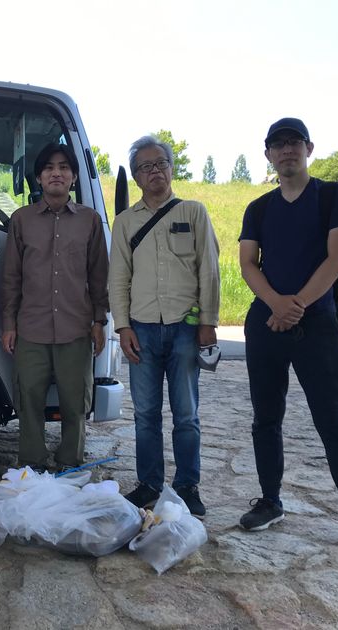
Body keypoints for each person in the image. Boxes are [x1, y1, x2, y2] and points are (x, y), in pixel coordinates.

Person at [237, 117, 338, 558]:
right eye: (278, 144)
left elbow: (336, 259)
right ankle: (270, 501)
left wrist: (296, 306)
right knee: (265, 418)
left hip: (317, 325)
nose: (287, 150)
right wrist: (276, 304)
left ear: (309, 148)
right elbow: (248, 263)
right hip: (266, 323)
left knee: (333, 422)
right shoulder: (259, 208)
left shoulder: (333, 196)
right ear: (268, 154)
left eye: (294, 142)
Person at [108, 135, 220, 519]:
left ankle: (188, 486)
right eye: (146, 167)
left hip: (185, 328)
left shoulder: (194, 212)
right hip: (141, 329)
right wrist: (122, 327)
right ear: (137, 177)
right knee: (145, 415)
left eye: (161, 163)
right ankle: (150, 484)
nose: (154, 171)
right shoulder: (125, 222)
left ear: (171, 169)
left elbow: (209, 270)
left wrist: (208, 322)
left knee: (187, 414)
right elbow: (118, 277)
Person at [1, 143, 109, 472]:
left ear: (74, 176)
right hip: (30, 328)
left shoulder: (90, 221)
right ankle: (32, 463)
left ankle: (70, 463)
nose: (56, 173)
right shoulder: (21, 220)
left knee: (75, 402)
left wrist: (99, 321)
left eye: (63, 167)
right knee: (28, 399)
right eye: (48, 167)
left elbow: (98, 275)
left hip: (76, 329)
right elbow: (12, 276)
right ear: (39, 178)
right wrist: (9, 324)